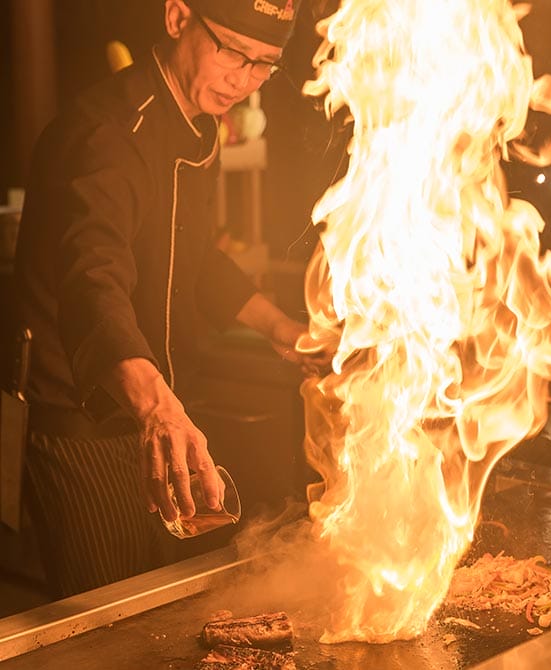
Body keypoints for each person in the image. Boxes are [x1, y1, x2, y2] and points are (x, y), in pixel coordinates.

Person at [13, 0, 326, 599]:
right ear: (179, 18)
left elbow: (197, 256)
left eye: (266, 64)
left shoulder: (197, 124)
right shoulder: (106, 134)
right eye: (232, 52)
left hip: (154, 409)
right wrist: (158, 408)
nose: (245, 77)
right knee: (112, 614)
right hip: (86, 417)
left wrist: (282, 329)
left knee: (161, 597)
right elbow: (91, 279)